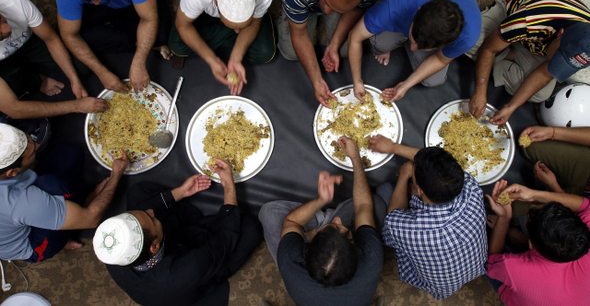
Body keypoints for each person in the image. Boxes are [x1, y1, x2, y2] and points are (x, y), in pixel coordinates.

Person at [94, 158, 262, 306]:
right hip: (194, 263)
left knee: (138, 192)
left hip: (167, 240)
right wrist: (228, 185)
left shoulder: (110, 246)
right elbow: (227, 237)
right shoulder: (186, 270)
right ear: (154, 246)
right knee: (250, 228)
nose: (151, 212)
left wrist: (181, 192)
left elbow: (144, 211)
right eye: (150, 218)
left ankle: (175, 221)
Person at [258, 136, 385, 306]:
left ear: (306, 250)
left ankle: (317, 226)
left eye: (334, 225)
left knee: (269, 213)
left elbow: (292, 222)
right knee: (375, 205)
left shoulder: (292, 262)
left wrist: (322, 199)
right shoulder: (371, 257)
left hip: (299, 250)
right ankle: (323, 226)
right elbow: (363, 205)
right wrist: (355, 158)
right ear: (357, 250)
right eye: (343, 228)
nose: (339, 220)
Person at [369, 135, 487, 300]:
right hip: (472, 268)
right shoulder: (472, 188)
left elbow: (393, 219)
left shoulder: (410, 231)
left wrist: (404, 176)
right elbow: (440, 166)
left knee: (384, 190)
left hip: (428, 280)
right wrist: (393, 147)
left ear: (420, 191)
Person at [348, 0, 481, 102]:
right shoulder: (397, 4)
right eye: (413, 40)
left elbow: (441, 59)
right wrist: (357, 81)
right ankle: (399, 38)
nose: (413, 47)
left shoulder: (468, 36)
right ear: (418, 10)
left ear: (446, 43)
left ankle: (403, 39)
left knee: (433, 80)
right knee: (380, 45)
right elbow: (355, 36)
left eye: (420, 46)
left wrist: (405, 85)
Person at [0, 123, 129, 262]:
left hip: (18, 213)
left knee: (70, 152)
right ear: (11, 172)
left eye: (31, 143)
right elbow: (91, 219)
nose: (37, 146)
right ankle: (63, 234)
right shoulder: (17, 202)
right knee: (53, 186)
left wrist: (28, 163)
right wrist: (116, 175)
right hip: (32, 243)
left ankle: (61, 217)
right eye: (31, 152)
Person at [55, 0, 172, 93]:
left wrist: (139, 61)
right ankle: (130, 35)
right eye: (91, 0)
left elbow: (148, 19)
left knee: (161, 35)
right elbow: (69, 34)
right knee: (65, 32)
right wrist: (101, 73)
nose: (97, 3)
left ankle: (130, 34)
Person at [466, 0, 590, 125]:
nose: (555, 62)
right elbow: (488, 48)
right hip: (510, 15)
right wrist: (480, 91)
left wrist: (511, 106)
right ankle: (504, 52)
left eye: (563, 62)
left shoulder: (585, 51)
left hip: (535, 46)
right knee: (466, 39)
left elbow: (544, 74)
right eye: (558, 56)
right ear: (560, 34)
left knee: (540, 94)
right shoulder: (530, 21)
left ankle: (508, 54)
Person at [278, 0, 383, 107]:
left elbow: (358, 9)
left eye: (334, 9)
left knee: (344, 50)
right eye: (326, 2)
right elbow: (299, 35)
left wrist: (333, 45)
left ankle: (333, 3)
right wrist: (317, 81)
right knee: (291, 52)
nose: (326, 11)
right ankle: (305, 7)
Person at [169, 0, 275, 96]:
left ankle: (216, 42)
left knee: (266, 52)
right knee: (176, 45)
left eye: (241, 26)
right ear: (216, 3)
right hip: (206, 14)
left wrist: (236, 56)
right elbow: (182, 25)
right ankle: (221, 42)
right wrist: (211, 59)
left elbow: (254, 23)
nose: (237, 32)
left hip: (228, 25)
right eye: (233, 26)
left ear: (255, 1)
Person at [0, 0, 107, 119]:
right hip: (3, 63)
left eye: (2, 20)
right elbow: (14, 109)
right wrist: (76, 106)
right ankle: (37, 80)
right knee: (14, 81)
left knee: (81, 67)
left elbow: (51, 39)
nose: (8, 29)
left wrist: (74, 80)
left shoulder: (12, 1)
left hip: (27, 42)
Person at [485, 180, 590, 305]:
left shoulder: (514, 268)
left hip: (533, 285)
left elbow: (490, 262)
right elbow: (587, 206)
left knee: (483, 245)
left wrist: (503, 219)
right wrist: (532, 194)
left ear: (531, 245)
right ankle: (513, 234)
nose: (533, 205)